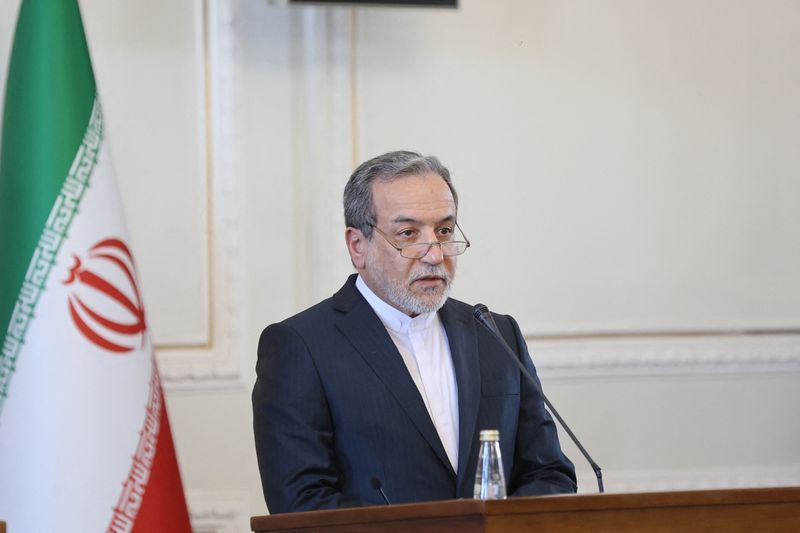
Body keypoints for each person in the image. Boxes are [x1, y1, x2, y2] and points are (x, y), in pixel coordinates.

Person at [252, 151, 576, 514]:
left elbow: (549, 474)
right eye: (408, 233)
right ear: (358, 246)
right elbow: (301, 504)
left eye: (444, 230)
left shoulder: (495, 333)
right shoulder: (301, 346)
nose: (434, 254)